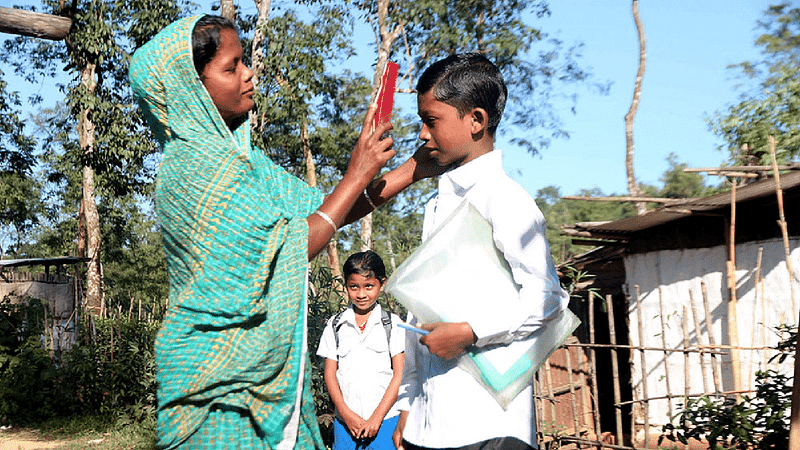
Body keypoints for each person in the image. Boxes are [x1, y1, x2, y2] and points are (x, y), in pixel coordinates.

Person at [129, 14, 442, 450]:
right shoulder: (191, 171)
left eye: (245, 62)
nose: (249, 72)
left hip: (263, 384)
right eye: (232, 66)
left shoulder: (248, 167)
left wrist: (413, 168)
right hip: (215, 389)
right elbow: (288, 247)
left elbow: (327, 212)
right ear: (191, 87)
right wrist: (354, 174)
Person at [391, 53, 570, 450]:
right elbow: (425, 310)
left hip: (489, 425)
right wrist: (411, 405)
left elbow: (548, 298)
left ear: (476, 120)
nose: (422, 133)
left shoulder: (504, 198)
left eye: (431, 120)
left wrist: (471, 332)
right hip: (432, 422)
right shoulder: (438, 204)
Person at [316, 250, 404, 450]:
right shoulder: (335, 325)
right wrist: (346, 415)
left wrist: (376, 418)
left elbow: (399, 374)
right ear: (346, 286)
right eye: (354, 287)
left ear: (381, 284)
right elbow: (330, 374)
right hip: (345, 427)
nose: (361, 294)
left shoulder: (393, 324)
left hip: (386, 423)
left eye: (369, 286)